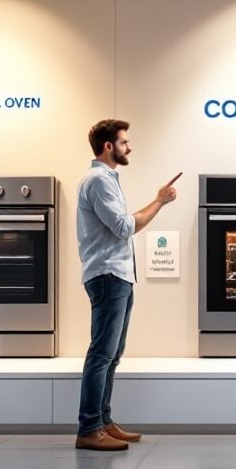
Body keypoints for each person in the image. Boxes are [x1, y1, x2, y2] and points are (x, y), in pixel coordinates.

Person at [75, 119, 180, 451]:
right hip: (108, 275)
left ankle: (103, 422)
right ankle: (89, 428)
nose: (128, 146)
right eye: (124, 142)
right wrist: (160, 200)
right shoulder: (97, 181)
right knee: (101, 353)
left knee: (113, 354)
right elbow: (122, 227)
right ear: (109, 146)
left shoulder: (107, 180)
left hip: (117, 275)